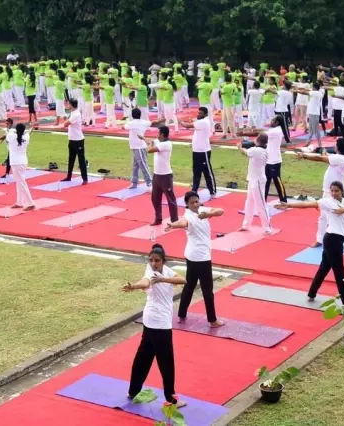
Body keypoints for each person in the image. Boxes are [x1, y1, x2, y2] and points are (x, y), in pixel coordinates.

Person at [276, 181, 344, 305]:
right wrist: (289, 205)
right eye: (332, 191)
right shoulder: (327, 202)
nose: (334, 193)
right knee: (339, 271)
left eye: (336, 191)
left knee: (324, 268)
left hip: (339, 239)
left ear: (341, 191)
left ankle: (312, 293)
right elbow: (307, 204)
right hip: (332, 239)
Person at [122, 244, 186, 407]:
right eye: (151, 260)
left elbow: (183, 280)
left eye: (157, 260)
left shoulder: (166, 272)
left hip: (150, 321)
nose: (153, 263)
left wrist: (164, 279)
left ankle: (133, 391)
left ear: (163, 261)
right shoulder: (150, 273)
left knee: (144, 356)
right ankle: (171, 399)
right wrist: (134, 286)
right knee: (166, 361)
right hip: (159, 324)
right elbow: (145, 282)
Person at [165, 191, 225, 327]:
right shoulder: (189, 216)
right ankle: (212, 320)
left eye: (197, 201)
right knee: (207, 289)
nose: (195, 204)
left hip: (193, 255)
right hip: (200, 257)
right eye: (192, 203)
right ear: (187, 204)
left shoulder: (203, 210)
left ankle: (181, 314)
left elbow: (221, 211)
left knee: (190, 285)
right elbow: (183, 223)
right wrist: (173, 225)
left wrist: (208, 214)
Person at [295, 137, 344, 248]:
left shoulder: (340, 158)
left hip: (337, 193)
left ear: (339, 147)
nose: (334, 146)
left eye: (336, 145)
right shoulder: (339, 158)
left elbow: (320, 158)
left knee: (342, 217)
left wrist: (305, 156)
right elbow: (325, 158)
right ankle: (320, 240)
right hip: (328, 191)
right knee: (323, 217)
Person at [140, 126, 179, 226]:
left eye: (158, 133)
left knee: (170, 199)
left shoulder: (166, 144)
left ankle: (175, 220)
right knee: (155, 198)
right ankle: (158, 218)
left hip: (165, 176)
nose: (157, 134)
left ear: (162, 134)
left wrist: (148, 143)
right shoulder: (159, 141)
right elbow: (151, 141)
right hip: (157, 175)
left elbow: (149, 150)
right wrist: (143, 138)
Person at [237, 133, 272, 234]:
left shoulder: (256, 151)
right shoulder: (261, 149)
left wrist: (240, 147)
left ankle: (267, 228)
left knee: (260, 204)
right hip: (254, 179)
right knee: (249, 202)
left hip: (257, 181)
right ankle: (246, 224)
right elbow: (251, 146)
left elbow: (245, 152)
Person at [180, 107, 216, 195]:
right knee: (196, 172)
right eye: (198, 113)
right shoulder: (201, 121)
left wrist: (179, 121)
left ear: (205, 114)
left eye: (200, 113)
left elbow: (186, 125)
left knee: (207, 172)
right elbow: (195, 120)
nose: (198, 114)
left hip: (203, 151)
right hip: (196, 151)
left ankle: (213, 191)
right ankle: (194, 191)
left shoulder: (204, 122)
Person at [7, 123, 36, 211]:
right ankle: (19, 202)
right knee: (19, 182)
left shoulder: (11, 136)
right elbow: (27, 132)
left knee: (21, 183)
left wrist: (13, 129)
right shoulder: (26, 137)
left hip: (16, 162)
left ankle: (30, 203)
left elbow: (10, 131)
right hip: (23, 161)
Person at [123, 108, 154, 189]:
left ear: (132, 115)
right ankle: (134, 183)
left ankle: (150, 183)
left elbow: (124, 127)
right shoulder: (143, 122)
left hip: (139, 147)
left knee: (143, 165)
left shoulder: (131, 123)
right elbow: (152, 123)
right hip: (136, 147)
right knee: (135, 165)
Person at [61, 99, 88, 184]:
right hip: (72, 139)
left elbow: (65, 124)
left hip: (78, 140)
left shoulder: (76, 114)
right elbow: (66, 121)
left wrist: (65, 119)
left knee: (81, 160)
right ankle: (69, 176)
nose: (67, 105)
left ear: (71, 105)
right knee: (71, 158)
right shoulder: (73, 113)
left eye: (68, 104)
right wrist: (65, 108)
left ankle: (85, 179)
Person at [264, 116, 288, 202]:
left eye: (272, 120)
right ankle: (263, 200)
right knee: (266, 181)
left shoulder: (276, 131)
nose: (271, 121)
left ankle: (283, 200)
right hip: (268, 159)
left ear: (277, 122)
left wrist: (246, 132)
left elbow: (262, 133)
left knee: (277, 181)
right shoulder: (273, 130)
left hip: (275, 161)